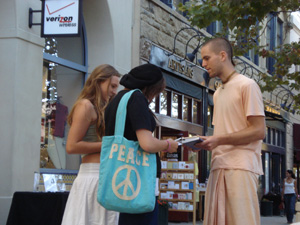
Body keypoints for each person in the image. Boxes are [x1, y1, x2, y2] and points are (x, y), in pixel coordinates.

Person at [197, 37, 266, 225]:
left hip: (241, 167)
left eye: (206, 58)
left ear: (222, 55)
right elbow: (225, 132)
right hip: (219, 167)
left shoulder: (248, 85)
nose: (203, 64)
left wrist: (218, 140)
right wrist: (208, 142)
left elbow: (259, 131)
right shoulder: (218, 93)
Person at [104, 64, 178, 225]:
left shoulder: (116, 100)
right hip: (139, 179)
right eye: (157, 92)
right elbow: (147, 143)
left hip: (121, 174)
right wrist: (167, 144)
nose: (154, 97)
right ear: (150, 88)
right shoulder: (136, 98)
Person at [61, 64, 120, 225]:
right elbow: (71, 146)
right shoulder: (85, 106)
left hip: (105, 175)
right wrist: (107, 145)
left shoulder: (103, 108)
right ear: (99, 81)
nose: (114, 91)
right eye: (112, 86)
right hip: (92, 176)